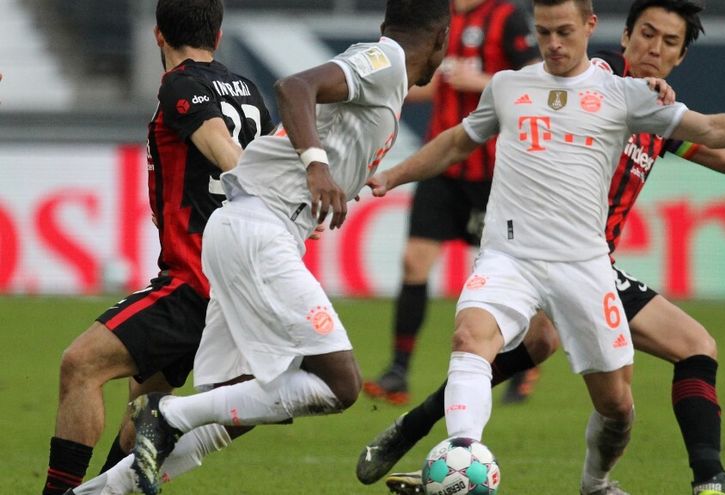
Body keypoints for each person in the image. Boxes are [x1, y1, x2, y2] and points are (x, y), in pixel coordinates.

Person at [356, 1, 725, 494]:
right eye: (647, 34)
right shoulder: (594, 80)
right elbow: (543, 91)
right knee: (490, 338)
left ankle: (426, 428)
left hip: (589, 264)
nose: (654, 49)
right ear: (622, 35)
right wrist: (394, 176)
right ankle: (704, 478)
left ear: (681, 55)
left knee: (594, 381)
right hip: (523, 251)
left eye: (669, 42)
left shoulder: (648, 106)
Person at [119, 2, 452, 494]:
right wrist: (317, 166)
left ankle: (104, 489)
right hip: (259, 230)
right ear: (442, 38)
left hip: (246, 228)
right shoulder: (387, 61)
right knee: (340, 384)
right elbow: (294, 86)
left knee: (234, 408)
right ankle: (165, 413)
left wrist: (332, 179)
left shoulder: (387, 76)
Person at [39, 1, 273, 494]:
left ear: (157, 35)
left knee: (80, 364)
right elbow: (272, 165)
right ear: (219, 35)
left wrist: (254, 194)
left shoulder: (180, 85)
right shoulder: (249, 91)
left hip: (194, 280)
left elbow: (228, 155)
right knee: (145, 402)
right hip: (230, 283)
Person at [364, 0, 542, 407]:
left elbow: (536, 81)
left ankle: (524, 364)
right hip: (443, 165)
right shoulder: (441, 14)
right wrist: (392, 89)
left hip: (494, 171)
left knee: (510, 272)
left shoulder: (507, 16)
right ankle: (398, 371)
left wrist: (480, 80)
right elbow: (435, 85)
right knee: (414, 260)